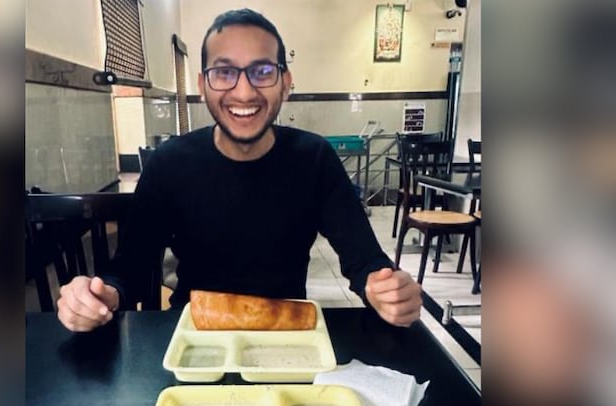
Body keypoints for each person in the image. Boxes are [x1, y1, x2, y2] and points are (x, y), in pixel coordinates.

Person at [57, 8, 421, 332]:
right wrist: (99, 295)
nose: (244, 92)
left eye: (262, 71)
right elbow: (131, 269)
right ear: (203, 86)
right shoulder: (170, 164)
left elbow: (365, 261)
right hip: (195, 337)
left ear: (286, 84)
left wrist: (384, 288)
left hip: (286, 337)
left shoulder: (314, 159)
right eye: (224, 72)